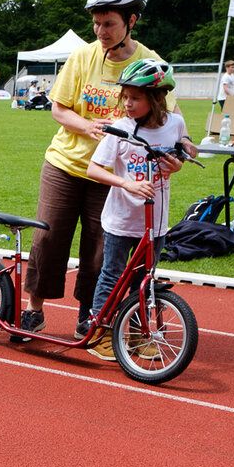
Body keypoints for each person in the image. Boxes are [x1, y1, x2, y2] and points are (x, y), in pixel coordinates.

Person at [20, 0, 195, 340]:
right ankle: (34, 309)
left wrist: (181, 153)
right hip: (67, 163)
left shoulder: (151, 63)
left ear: (132, 21)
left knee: (101, 250)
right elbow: (58, 108)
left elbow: (172, 121)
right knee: (49, 238)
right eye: (96, 23)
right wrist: (88, 126)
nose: (100, 31)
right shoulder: (83, 56)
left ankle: (90, 316)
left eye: (109, 23)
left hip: (114, 174)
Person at [83, 59, 186, 360]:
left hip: (155, 223)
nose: (127, 103)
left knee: (146, 280)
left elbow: (179, 157)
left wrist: (175, 166)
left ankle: (138, 335)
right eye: (125, 97)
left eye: (135, 98)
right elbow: (93, 169)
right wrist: (125, 184)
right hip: (121, 219)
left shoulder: (175, 125)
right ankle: (99, 332)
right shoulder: (121, 130)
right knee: (112, 275)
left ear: (156, 99)